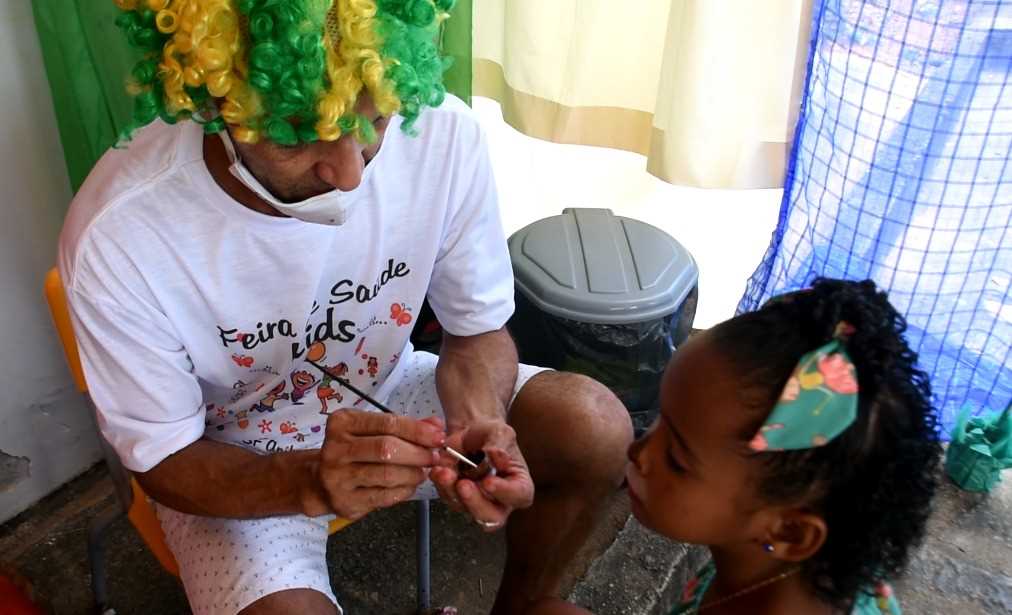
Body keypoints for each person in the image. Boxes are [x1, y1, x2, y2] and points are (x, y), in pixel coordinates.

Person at [58, 2, 633, 614]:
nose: (350, 176)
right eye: (297, 133)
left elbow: (476, 331)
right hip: (229, 449)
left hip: (387, 391)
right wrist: (306, 479)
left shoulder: (439, 131)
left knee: (591, 426)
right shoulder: (121, 234)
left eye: (376, 120)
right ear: (211, 102)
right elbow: (167, 462)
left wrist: (476, 418)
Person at [531, 279, 942, 614]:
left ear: (790, 530)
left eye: (676, 460)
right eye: (659, 422)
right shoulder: (774, 563)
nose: (639, 451)